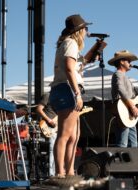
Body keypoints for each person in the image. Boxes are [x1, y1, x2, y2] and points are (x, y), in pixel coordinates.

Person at [49, 14, 91, 178]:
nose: (87, 32)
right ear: (79, 30)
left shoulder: (66, 44)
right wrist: (77, 93)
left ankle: (69, 172)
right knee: (65, 135)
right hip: (67, 90)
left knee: (73, 136)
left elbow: (71, 67)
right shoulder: (71, 43)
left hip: (62, 89)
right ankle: (60, 173)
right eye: (85, 29)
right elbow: (68, 68)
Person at [109, 50, 138, 147]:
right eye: (128, 61)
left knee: (133, 144)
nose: (130, 63)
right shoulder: (118, 74)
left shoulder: (125, 77)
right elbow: (121, 89)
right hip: (123, 112)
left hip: (129, 114)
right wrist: (132, 107)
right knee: (123, 143)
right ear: (122, 62)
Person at [36, 93, 57, 177]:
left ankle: (56, 173)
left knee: (57, 150)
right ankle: (51, 174)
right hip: (48, 126)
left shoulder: (61, 97)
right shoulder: (48, 95)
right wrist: (49, 120)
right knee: (52, 150)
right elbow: (39, 109)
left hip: (57, 126)